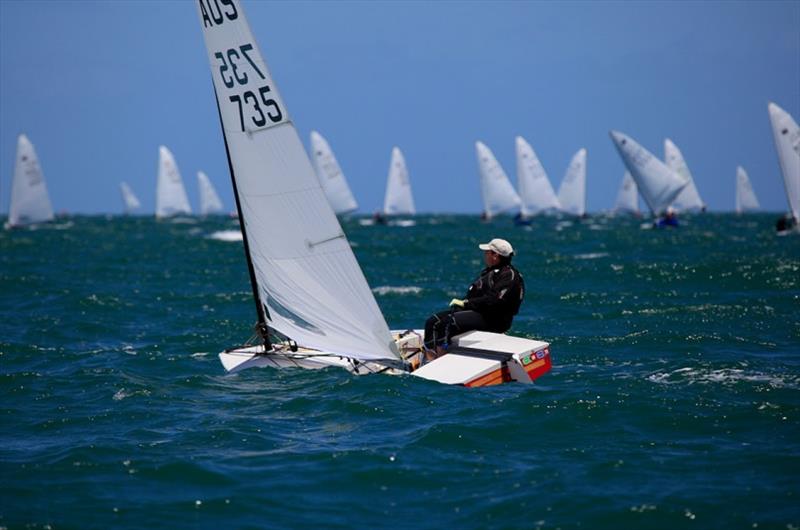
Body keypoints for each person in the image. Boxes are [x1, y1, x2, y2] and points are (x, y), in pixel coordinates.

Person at [422, 238, 524, 359]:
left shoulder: (509, 275)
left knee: (446, 324)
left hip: (495, 320)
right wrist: (464, 303)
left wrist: (467, 303)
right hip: (480, 312)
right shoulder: (490, 272)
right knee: (432, 321)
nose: (484, 255)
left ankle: (438, 361)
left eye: (487, 252)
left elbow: (494, 300)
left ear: (495, 255)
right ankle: (431, 357)